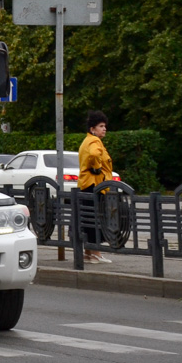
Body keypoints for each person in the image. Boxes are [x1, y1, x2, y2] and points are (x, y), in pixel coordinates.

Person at [78, 110, 114, 264]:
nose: (104, 129)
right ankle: (96, 255)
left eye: (105, 126)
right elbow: (94, 155)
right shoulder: (95, 141)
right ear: (92, 129)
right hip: (95, 186)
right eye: (101, 126)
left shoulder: (86, 140)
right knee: (96, 220)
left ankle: (88, 254)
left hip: (86, 185)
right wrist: (97, 168)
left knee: (88, 220)